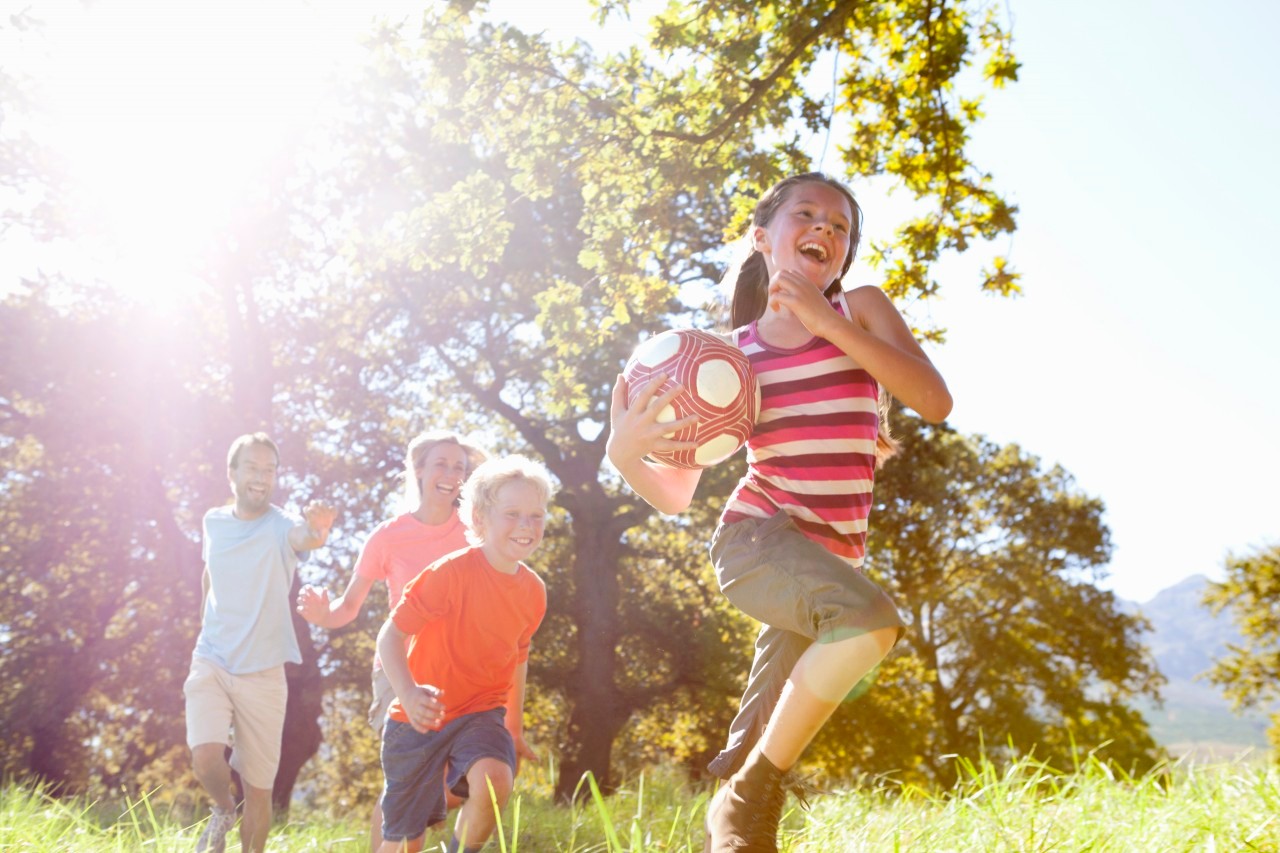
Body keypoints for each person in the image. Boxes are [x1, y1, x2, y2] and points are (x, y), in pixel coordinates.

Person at [607, 173, 952, 851]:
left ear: (845, 256)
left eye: (841, 226)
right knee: (870, 624)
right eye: (807, 214)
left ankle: (738, 813)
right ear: (764, 239)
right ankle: (746, 798)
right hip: (757, 542)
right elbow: (678, 494)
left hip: (826, 566)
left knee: (757, 754)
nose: (825, 227)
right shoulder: (728, 359)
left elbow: (934, 401)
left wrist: (826, 320)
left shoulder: (862, 309)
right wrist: (625, 455)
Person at [296, 430, 490, 851]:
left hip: (458, 674)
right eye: (441, 463)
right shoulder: (387, 536)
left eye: (459, 467)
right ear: (418, 470)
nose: (451, 474)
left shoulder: (475, 534)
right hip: (398, 670)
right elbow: (348, 607)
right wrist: (321, 615)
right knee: (406, 779)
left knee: (448, 783)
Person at [374, 454, 552, 853]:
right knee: (405, 842)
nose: (526, 526)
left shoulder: (534, 592)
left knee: (495, 780)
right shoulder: (448, 574)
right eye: (512, 514)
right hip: (419, 718)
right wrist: (408, 693)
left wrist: (514, 727)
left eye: (535, 515)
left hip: (480, 712)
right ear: (480, 517)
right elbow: (389, 636)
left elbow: (518, 658)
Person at [184, 433, 337, 853]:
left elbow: (305, 537)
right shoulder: (213, 521)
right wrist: (204, 626)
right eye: (252, 467)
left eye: (270, 470)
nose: (262, 477)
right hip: (212, 657)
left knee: (259, 790)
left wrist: (319, 529)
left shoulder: (281, 525)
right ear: (232, 473)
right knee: (205, 756)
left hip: (264, 671)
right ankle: (221, 808)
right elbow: (208, 576)